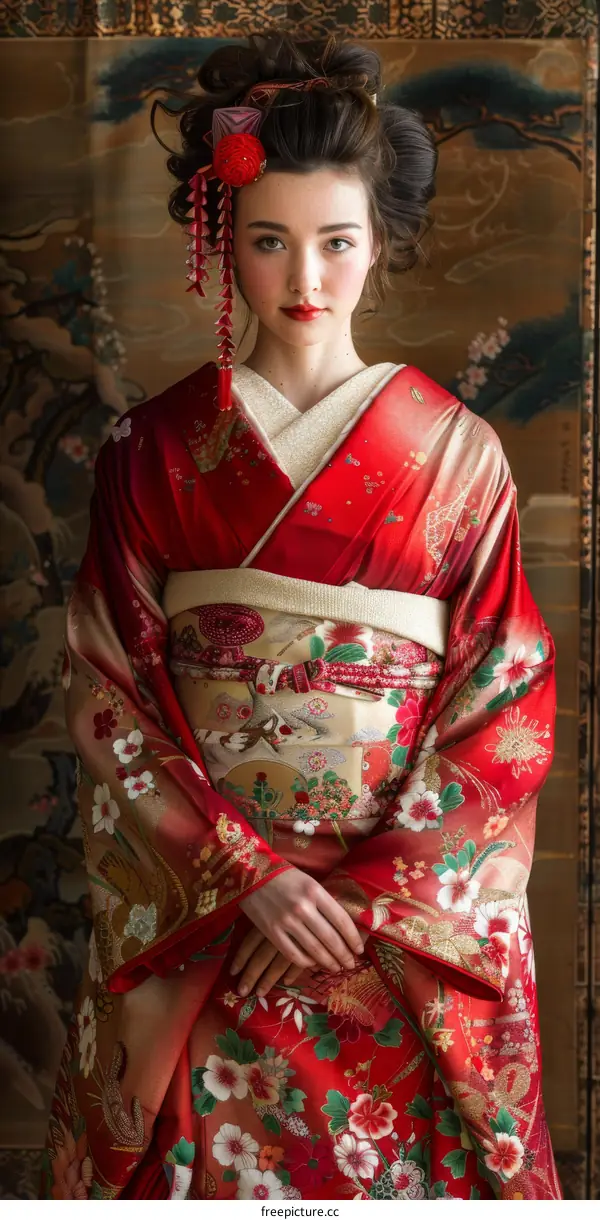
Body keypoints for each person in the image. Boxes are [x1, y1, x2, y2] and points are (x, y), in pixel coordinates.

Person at [41, 28, 562, 1202]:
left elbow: (507, 706)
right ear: (226, 243)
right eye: (268, 242)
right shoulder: (154, 451)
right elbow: (107, 683)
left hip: (393, 937)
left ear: (382, 244)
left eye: (337, 241)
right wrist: (246, 873)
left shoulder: (459, 457)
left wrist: (366, 896)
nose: (305, 278)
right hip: (222, 919)